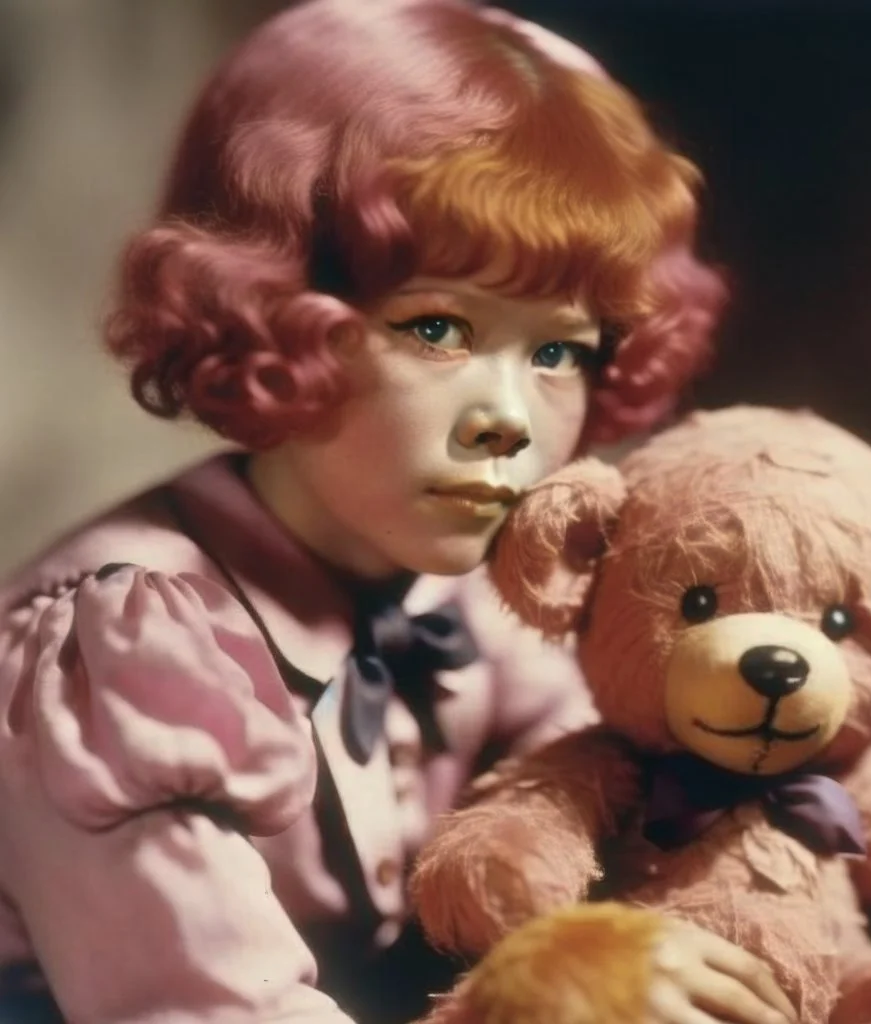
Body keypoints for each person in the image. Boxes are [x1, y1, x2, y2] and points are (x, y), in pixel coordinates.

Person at [0, 2, 787, 1021]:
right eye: (439, 327)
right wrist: (538, 993)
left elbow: (622, 798)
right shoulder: (123, 649)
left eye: (557, 352)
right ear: (285, 315)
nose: (505, 420)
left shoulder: (461, 609)